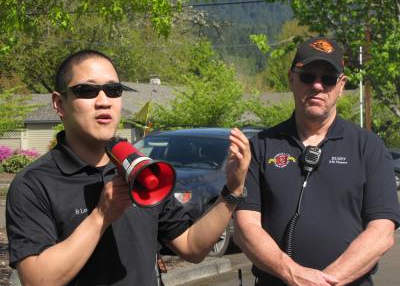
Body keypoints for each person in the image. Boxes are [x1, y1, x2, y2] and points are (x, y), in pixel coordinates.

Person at [6, 49, 251, 286]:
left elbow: (192, 247)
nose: (103, 102)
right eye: (87, 91)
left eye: (113, 90)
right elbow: (37, 279)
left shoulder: (139, 170)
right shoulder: (34, 183)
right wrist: (101, 216)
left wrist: (233, 189)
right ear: (59, 104)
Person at [234, 37, 400, 286]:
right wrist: (292, 274)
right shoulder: (260, 146)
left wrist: (324, 282)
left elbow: (382, 232)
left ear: (341, 85)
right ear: (292, 79)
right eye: (308, 76)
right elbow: (245, 226)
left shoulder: (368, 146)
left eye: (329, 78)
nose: (318, 86)